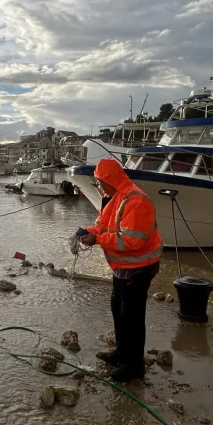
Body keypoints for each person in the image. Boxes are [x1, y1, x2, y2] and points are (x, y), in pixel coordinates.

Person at [77, 158, 163, 383]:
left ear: (109, 180)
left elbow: (131, 241)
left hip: (139, 269)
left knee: (132, 318)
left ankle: (134, 367)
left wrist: (97, 239)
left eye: (99, 181)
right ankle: (121, 354)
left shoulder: (136, 201)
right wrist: (88, 231)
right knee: (119, 310)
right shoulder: (112, 197)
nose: (98, 186)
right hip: (122, 268)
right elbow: (103, 225)